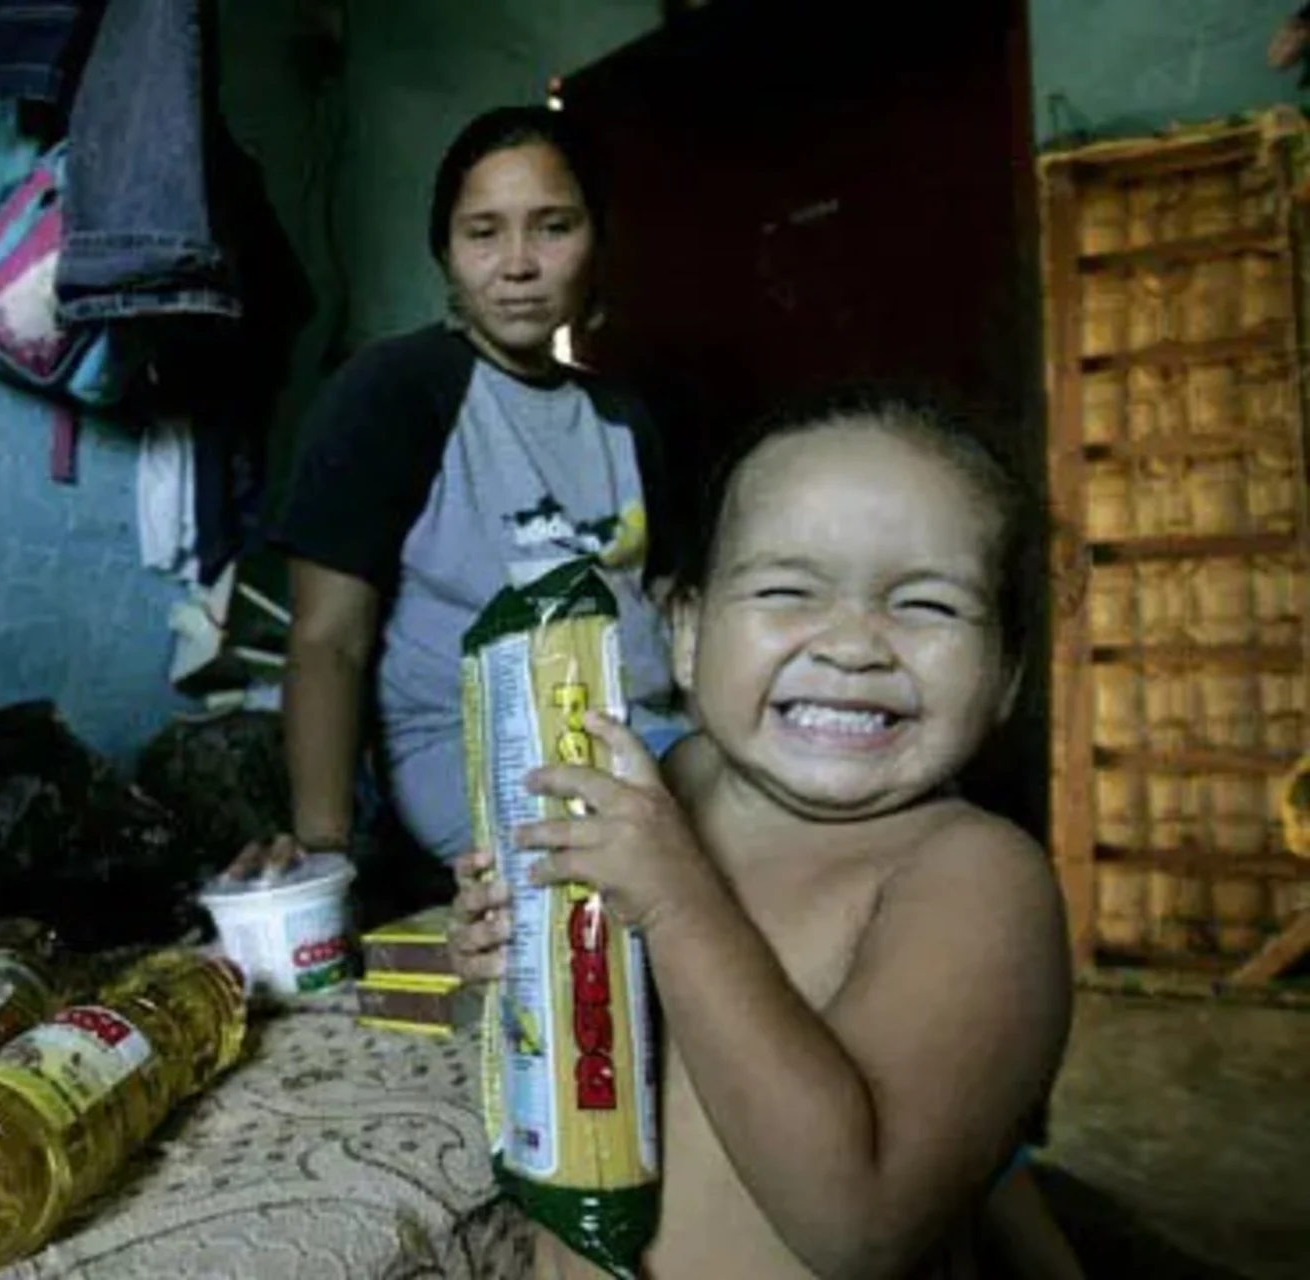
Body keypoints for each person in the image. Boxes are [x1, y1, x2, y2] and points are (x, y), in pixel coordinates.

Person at [450, 397, 1078, 1277]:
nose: (855, 646)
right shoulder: (663, 795)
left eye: (927, 605)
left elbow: (860, 1228)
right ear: (687, 633)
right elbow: (559, 1075)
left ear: (1009, 673)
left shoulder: (975, 881)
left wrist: (676, 904)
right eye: (788, 591)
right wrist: (504, 971)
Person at [230, 105, 684, 894]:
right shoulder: (395, 391)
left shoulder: (623, 417)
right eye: (483, 232)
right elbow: (328, 639)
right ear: (445, 252)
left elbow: (669, 606)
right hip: (490, 756)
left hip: (649, 739)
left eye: (553, 227)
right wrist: (325, 849)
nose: (518, 263)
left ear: (595, 243)